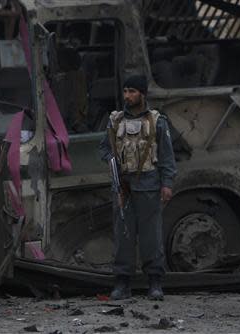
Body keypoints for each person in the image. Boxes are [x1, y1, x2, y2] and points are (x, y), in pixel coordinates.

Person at [99, 74, 177, 300]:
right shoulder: (115, 121)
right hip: (123, 187)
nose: (127, 96)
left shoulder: (156, 121)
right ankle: (122, 283)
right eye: (125, 91)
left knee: (151, 237)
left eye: (132, 91)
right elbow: (104, 149)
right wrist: (113, 162)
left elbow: (166, 156)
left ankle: (155, 282)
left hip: (149, 186)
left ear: (142, 93)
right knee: (123, 236)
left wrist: (167, 184)